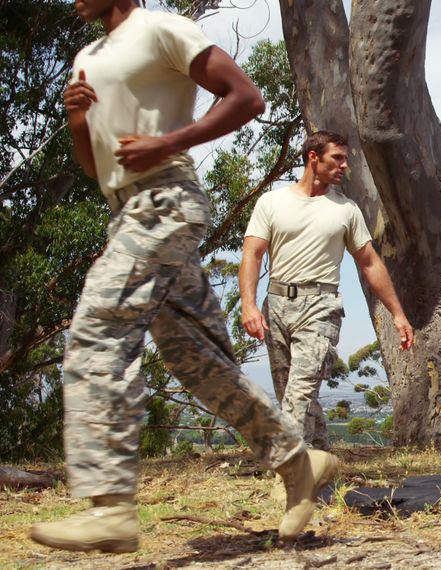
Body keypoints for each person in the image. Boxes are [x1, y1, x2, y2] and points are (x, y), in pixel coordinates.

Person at [31, 0, 334, 553]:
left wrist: (171, 141)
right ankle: (299, 460)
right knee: (202, 365)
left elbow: (246, 97)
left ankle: (110, 506)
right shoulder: (88, 55)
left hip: (165, 200)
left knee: (101, 328)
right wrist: (79, 121)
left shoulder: (160, 28)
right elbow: (97, 167)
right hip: (126, 209)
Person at [239, 130, 414, 450]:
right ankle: (322, 460)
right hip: (276, 304)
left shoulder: (345, 210)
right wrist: (248, 305)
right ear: (313, 157)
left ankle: (293, 471)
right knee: (292, 394)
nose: (343, 165)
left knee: (299, 393)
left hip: (321, 307)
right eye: (338, 158)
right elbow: (252, 254)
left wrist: (398, 314)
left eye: (345, 159)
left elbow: (370, 264)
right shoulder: (272, 202)